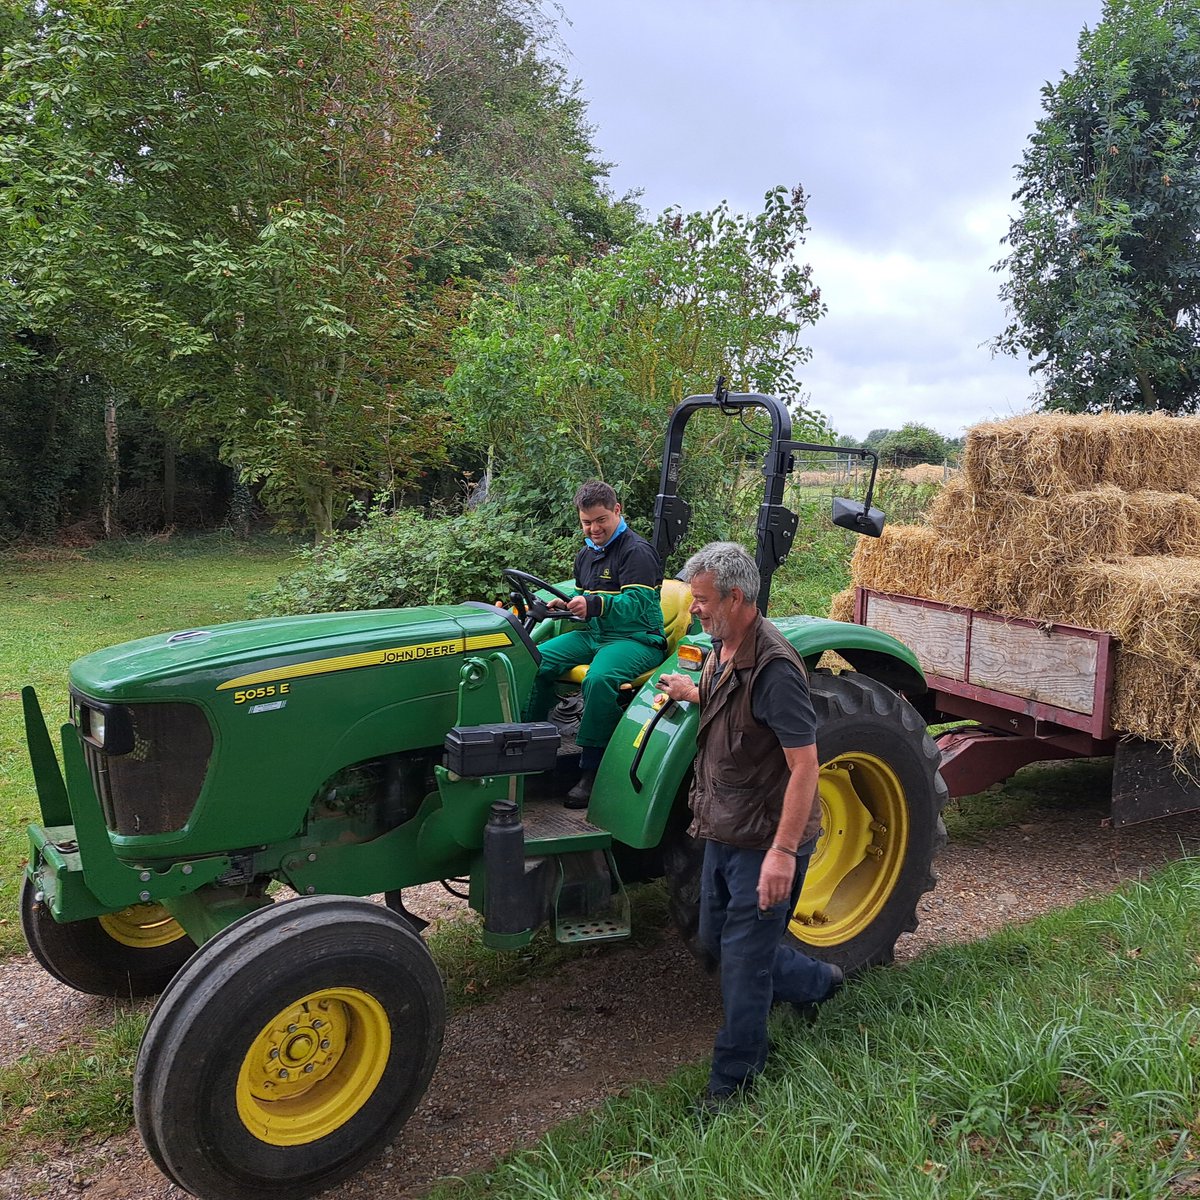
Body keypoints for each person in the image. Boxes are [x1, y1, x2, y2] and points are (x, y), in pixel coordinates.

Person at [656, 541, 843, 1114]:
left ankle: (733, 1085)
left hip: (764, 840)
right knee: (715, 941)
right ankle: (818, 983)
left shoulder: (777, 670)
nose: (695, 612)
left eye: (705, 602)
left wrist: (784, 853)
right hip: (721, 828)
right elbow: (725, 699)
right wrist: (693, 691)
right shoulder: (721, 646)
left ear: (738, 598)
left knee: (741, 963)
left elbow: (805, 767)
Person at [526, 481, 666, 807]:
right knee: (532, 659)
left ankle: (592, 768)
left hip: (636, 636)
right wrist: (565, 605)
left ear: (617, 511)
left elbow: (637, 604)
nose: (594, 528)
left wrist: (594, 605)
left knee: (599, 678)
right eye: (587, 522)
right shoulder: (586, 553)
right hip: (595, 634)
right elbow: (581, 598)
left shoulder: (637, 552)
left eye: (601, 519)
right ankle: (533, 742)